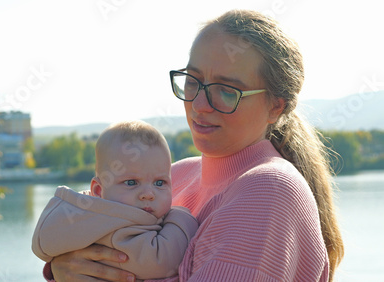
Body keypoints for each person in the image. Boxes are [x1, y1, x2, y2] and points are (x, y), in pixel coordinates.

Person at [46, 9, 344, 282]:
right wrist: (61, 268)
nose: (199, 105)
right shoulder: (175, 176)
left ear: (275, 107)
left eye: (227, 91)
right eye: (193, 81)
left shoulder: (268, 189)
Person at [32, 120, 198, 279]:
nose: (148, 194)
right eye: (131, 182)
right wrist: (181, 217)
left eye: (160, 183)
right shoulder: (114, 225)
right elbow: (162, 261)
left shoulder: (82, 217)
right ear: (98, 190)